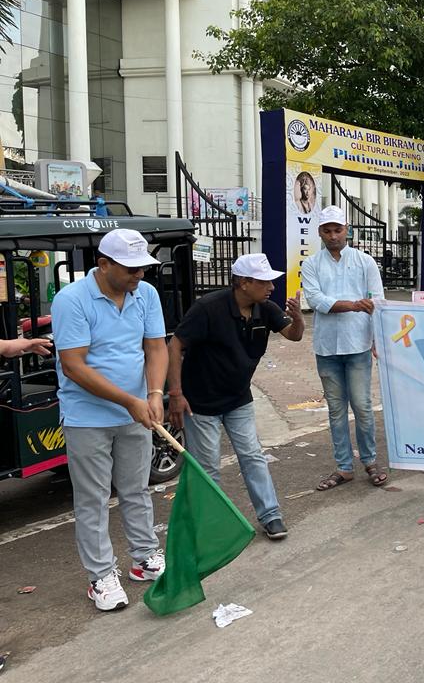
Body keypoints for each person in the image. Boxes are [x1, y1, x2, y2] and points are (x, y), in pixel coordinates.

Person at [51, 229, 168, 611]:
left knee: (136, 489)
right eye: (131, 269)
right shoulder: (71, 299)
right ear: (103, 264)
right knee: (93, 499)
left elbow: (156, 348)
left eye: (142, 268)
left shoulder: (145, 294)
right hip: (88, 417)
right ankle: (100, 576)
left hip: (136, 410)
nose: (139, 275)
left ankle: (144, 558)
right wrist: (128, 400)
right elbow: (73, 365)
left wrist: (154, 393)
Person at [167, 254, 305, 540]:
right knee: (208, 468)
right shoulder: (208, 308)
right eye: (264, 282)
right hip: (201, 402)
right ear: (244, 283)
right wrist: (176, 393)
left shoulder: (265, 309)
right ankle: (208, 527)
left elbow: (293, 335)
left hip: (238, 397)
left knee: (253, 456)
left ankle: (271, 515)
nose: (271, 287)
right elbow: (175, 345)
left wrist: (299, 319)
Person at [302, 205, 388, 490]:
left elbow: (377, 301)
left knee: (362, 406)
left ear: (347, 230)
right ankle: (344, 467)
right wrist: (353, 305)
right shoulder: (311, 264)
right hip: (326, 347)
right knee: (336, 410)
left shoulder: (365, 262)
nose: (333, 236)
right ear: (320, 232)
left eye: (337, 230)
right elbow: (316, 300)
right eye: (327, 231)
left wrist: (377, 339)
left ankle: (370, 461)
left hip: (358, 344)